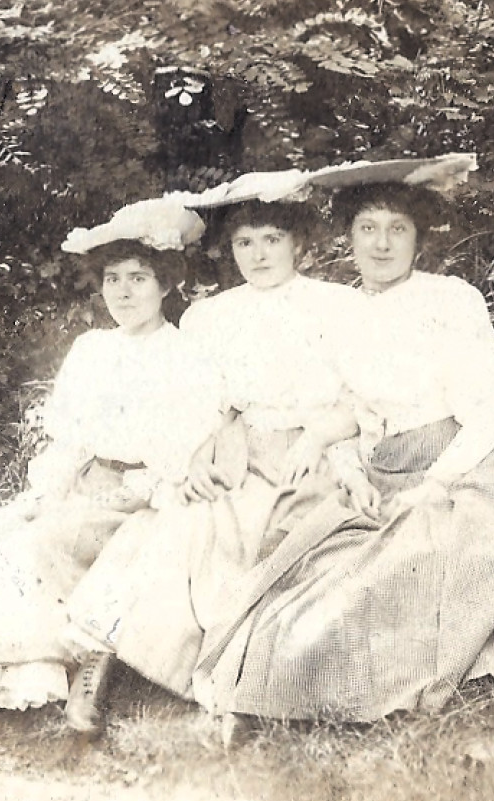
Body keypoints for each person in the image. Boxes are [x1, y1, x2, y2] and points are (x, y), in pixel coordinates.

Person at [190, 181, 494, 725]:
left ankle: (350, 691)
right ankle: (268, 692)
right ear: (349, 238)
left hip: (468, 465)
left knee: (400, 569)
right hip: (384, 470)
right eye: (367, 229)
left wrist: (437, 484)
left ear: (418, 239)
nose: (381, 244)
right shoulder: (342, 316)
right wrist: (349, 469)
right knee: (307, 571)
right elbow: (350, 411)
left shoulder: (450, 299)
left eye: (397, 229)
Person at [0, 202, 218, 757]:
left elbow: (187, 444)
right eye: (112, 280)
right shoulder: (92, 349)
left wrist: (139, 486)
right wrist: (50, 488)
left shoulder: (187, 354)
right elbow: (71, 437)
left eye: (139, 279)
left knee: (28, 554)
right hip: (80, 487)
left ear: (166, 283)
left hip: (138, 500)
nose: (124, 293)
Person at [61, 199, 363, 733]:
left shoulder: (339, 305)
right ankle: (99, 661)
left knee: (282, 544)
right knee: (178, 525)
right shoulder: (211, 316)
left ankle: (241, 689)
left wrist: (321, 437)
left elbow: (360, 400)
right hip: (235, 451)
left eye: (273, 239)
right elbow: (209, 407)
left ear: (299, 245)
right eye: (245, 243)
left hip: (311, 452)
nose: (259, 254)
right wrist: (199, 457)